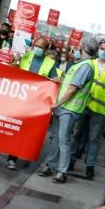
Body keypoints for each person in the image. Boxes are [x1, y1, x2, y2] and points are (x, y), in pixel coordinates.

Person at [0, 36, 61, 171]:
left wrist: (56, 80)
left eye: (41, 47)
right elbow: (13, 69)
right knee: (3, 126)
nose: (38, 49)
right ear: (33, 46)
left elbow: (54, 81)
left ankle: (12, 159)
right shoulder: (25, 56)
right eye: (36, 46)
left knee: (19, 130)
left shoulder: (50, 63)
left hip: (32, 103)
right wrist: (14, 60)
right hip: (15, 98)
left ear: (46, 50)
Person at [38, 49, 96, 184]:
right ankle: (51, 166)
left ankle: (62, 172)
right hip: (64, 108)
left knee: (64, 140)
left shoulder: (85, 66)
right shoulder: (79, 65)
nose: (78, 51)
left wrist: (58, 103)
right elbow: (69, 83)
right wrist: (61, 80)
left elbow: (73, 88)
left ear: (84, 49)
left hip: (69, 108)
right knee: (56, 138)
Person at [70, 38, 105, 180]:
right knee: (77, 134)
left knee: (93, 139)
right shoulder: (90, 64)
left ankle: (90, 167)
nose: (104, 52)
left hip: (100, 110)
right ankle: (70, 161)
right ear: (98, 49)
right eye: (102, 49)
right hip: (84, 105)